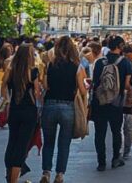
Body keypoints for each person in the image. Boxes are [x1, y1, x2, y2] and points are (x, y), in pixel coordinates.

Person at [39, 36, 87, 183]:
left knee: (48, 142)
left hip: (50, 104)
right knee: (64, 143)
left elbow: (46, 87)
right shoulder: (77, 67)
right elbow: (83, 90)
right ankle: (60, 174)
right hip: (68, 106)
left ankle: (46, 172)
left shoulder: (50, 65)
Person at [91, 36, 132, 171]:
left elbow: (95, 83)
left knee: (100, 133)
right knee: (116, 131)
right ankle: (116, 158)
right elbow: (127, 85)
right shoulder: (126, 63)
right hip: (116, 102)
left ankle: (101, 161)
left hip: (100, 101)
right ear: (120, 46)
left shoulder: (99, 62)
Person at [2, 43, 42, 183]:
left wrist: (8, 101)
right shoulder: (33, 71)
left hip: (14, 109)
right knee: (22, 145)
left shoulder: (11, 70)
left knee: (12, 141)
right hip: (29, 111)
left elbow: (3, 89)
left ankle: (9, 175)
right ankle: (14, 178)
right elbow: (37, 93)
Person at [121, 44, 132, 161]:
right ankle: (125, 151)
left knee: (124, 125)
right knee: (128, 126)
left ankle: (123, 150)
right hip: (130, 96)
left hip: (125, 96)